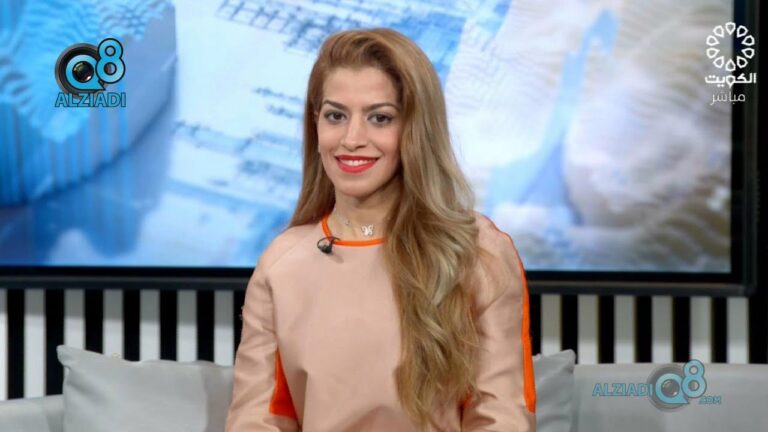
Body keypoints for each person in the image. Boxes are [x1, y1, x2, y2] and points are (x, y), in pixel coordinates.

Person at [225, 28, 536, 432]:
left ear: (415, 129)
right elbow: (259, 421)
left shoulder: (478, 252)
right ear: (316, 125)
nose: (352, 139)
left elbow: (501, 418)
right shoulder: (281, 264)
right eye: (336, 116)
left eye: (380, 118)